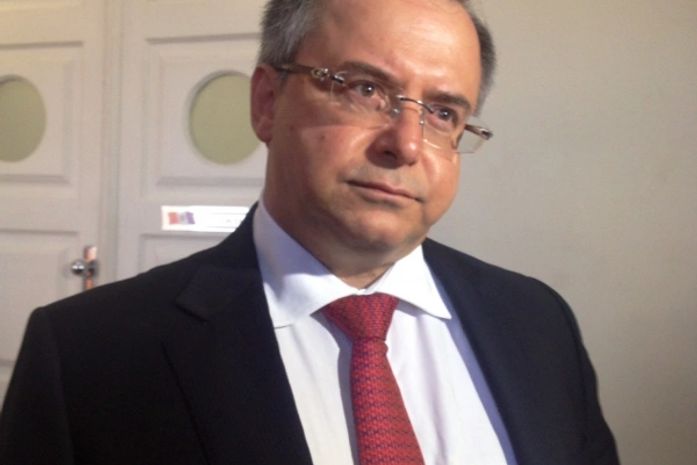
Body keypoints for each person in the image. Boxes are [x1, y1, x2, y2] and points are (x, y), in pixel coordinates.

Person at [0, 0, 620, 464]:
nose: (406, 145)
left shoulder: (538, 322)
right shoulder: (88, 356)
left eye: (441, 112)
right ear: (267, 102)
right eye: (365, 89)